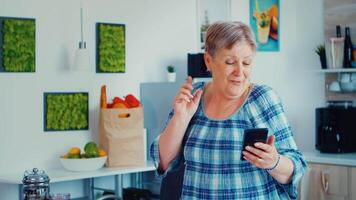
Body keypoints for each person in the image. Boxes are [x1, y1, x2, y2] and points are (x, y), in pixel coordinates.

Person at [150, 21, 307, 199]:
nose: (240, 72)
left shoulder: (263, 99)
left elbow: (297, 168)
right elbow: (164, 162)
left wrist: (273, 162)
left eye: (247, 63)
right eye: (230, 62)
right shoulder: (193, 97)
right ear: (208, 60)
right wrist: (180, 118)